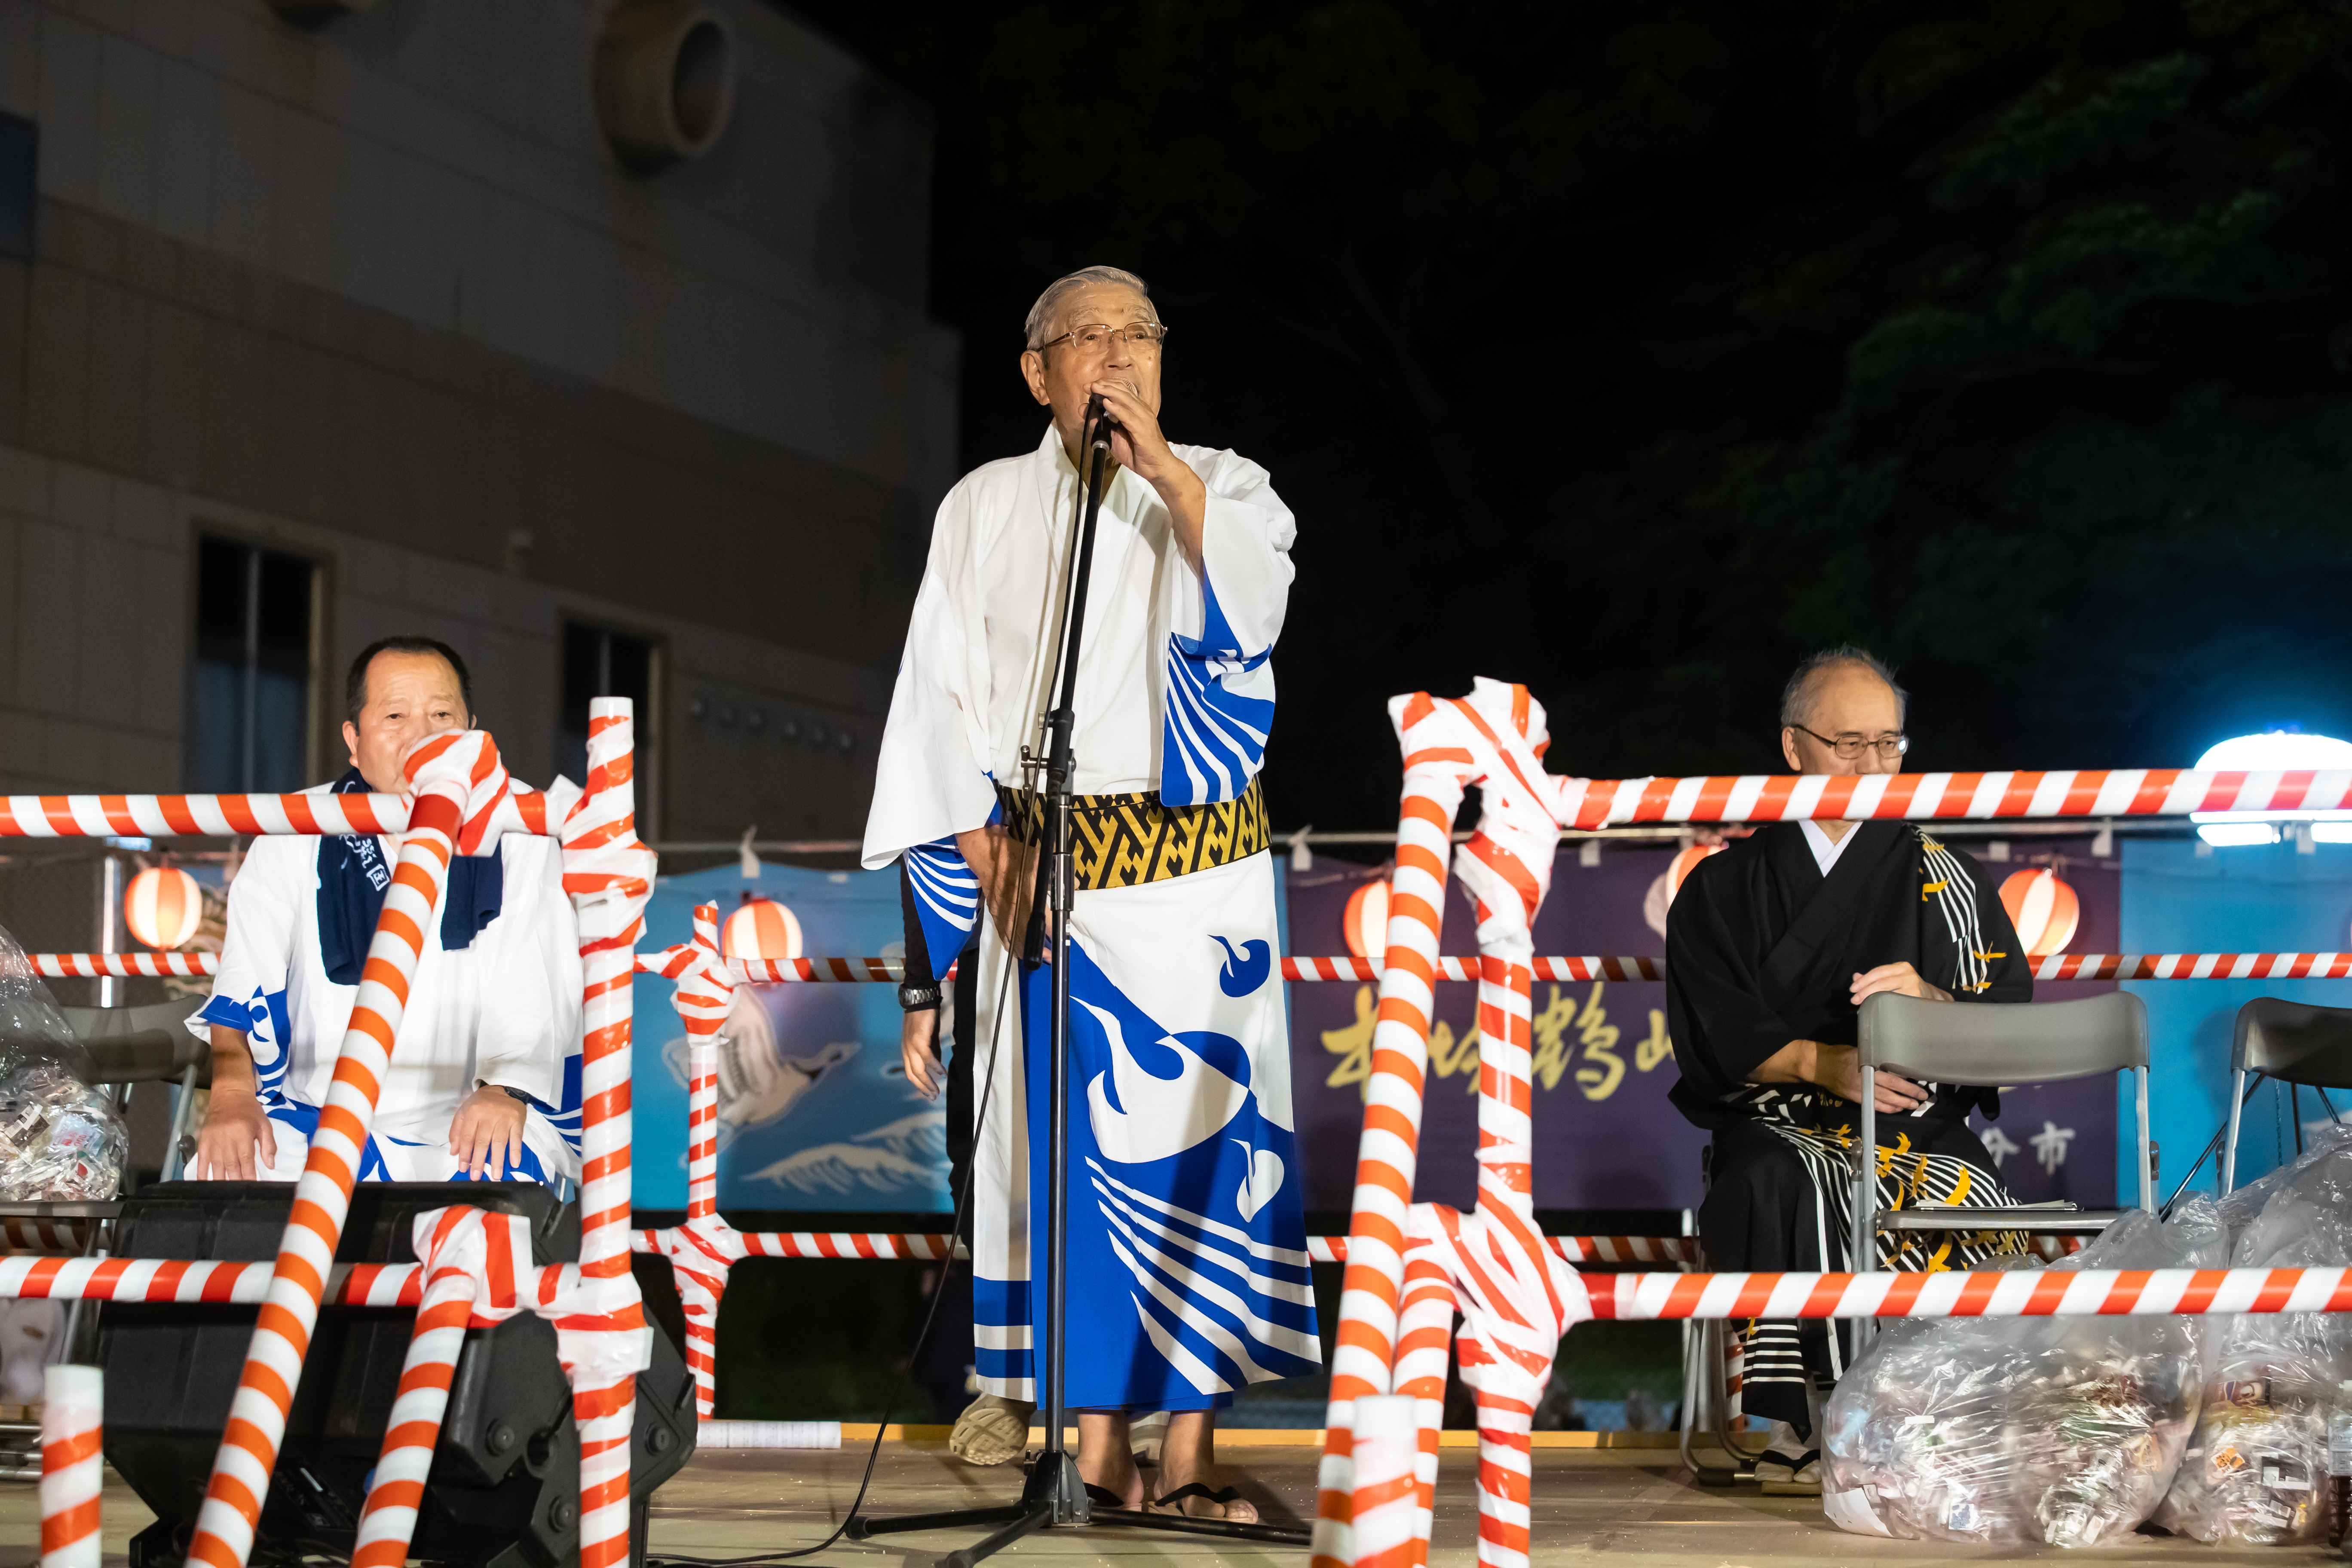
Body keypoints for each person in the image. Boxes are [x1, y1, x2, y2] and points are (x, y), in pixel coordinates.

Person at [863, 265, 1316, 1520]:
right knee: (1073, 1170)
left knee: (1205, 1159)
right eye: (1088, 336)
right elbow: (937, 695)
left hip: (1202, 880)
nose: (1117, 354)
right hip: (1048, 880)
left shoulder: (1224, 482)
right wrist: (981, 847)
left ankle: (1193, 1452)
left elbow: (1253, 611)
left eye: (1139, 334)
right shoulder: (983, 505)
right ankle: (1097, 1450)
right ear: (1036, 371)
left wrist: (1162, 471)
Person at [1665, 646, 2032, 1495]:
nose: (1874, 764)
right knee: (1773, 1177)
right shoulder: (1723, 885)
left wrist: (1934, 1005)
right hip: (1776, 1121)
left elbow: (2008, 1029)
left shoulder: (1949, 879)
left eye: (1889, 743)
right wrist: (1819, 1061)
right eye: (1849, 744)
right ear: (1793, 747)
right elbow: (1711, 1030)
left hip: (1916, 1128)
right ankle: (1811, 1414)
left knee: (1965, 1194)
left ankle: (1925, 1413)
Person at [188, 637, 583, 1185]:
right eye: (396, 716)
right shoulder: (296, 826)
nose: (422, 736)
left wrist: (506, 1090)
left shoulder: (519, 825)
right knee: (224, 1171)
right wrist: (232, 1096)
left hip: (467, 1121)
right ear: (354, 740)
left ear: (471, 731)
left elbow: (534, 980)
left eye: (442, 715)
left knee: (498, 1181)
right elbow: (243, 982)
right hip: (316, 1118)